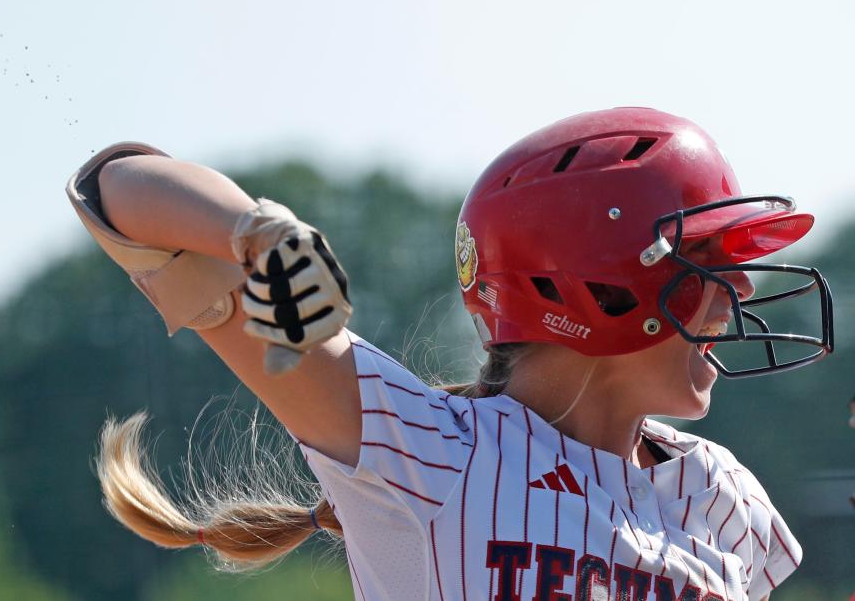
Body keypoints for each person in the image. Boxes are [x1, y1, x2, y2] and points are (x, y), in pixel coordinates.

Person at [67, 108, 834, 600]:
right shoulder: (429, 456)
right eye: (704, 268)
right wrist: (261, 234)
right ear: (597, 288)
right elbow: (119, 193)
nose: (734, 292)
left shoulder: (721, 494)